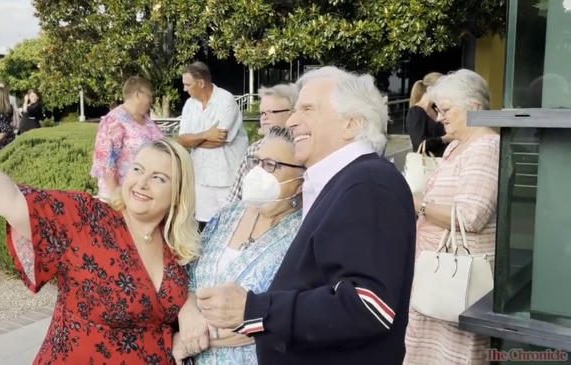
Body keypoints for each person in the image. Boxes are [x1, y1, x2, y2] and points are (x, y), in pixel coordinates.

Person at [0, 89, 202, 364]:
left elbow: (189, 300)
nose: (141, 183)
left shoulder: (176, 244)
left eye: (159, 178)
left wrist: (187, 313)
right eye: (137, 170)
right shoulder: (86, 218)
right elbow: (9, 198)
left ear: (178, 192)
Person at [192, 66, 416, 364]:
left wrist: (256, 309)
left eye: (308, 109)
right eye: (295, 110)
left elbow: (369, 305)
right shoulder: (351, 181)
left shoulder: (366, 184)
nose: (293, 121)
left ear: (350, 124)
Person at [175, 126, 304, 364]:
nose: (257, 172)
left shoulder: (303, 237)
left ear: (301, 180)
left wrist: (188, 340)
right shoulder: (228, 214)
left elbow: (274, 318)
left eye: (271, 165)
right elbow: (191, 278)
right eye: (257, 162)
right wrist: (188, 313)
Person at [405, 69, 499, 365]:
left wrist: (417, 204)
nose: (439, 118)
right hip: (438, 274)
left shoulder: (486, 146)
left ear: (472, 108)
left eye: (445, 109)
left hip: (458, 279)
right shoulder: (459, 145)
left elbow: (470, 216)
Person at [177, 62, 249, 231]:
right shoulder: (189, 105)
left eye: (187, 84)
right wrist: (206, 134)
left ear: (201, 83)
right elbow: (182, 140)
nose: (185, 89)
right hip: (201, 178)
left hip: (227, 178)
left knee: (230, 227)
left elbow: (219, 140)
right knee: (203, 228)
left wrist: (194, 140)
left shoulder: (225, 99)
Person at [91, 76, 164, 201]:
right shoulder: (114, 120)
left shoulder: (147, 120)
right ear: (137, 94)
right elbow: (105, 163)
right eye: (149, 96)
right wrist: (117, 198)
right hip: (121, 200)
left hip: (145, 195)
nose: (151, 100)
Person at [227, 84, 297, 203]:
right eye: (262, 113)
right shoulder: (254, 150)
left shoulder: (302, 149)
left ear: (291, 114)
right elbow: (234, 199)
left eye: (270, 112)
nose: (264, 118)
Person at [406, 72, 452, 157]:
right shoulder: (415, 112)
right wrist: (444, 139)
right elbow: (420, 143)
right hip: (427, 164)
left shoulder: (436, 109)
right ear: (430, 89)